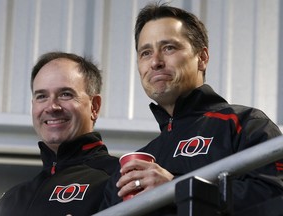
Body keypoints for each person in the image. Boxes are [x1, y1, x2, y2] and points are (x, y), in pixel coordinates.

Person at [100, 2, 283, 215]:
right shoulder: (133, 166)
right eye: (146, 53)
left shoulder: (246, 123)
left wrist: (175, 188)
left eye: (169, 48)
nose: (155, 62)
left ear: (202, 58)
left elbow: (273, 196)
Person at [0, 52, 118, 216]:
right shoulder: (11, 200)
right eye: (42, 96)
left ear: (94, 107)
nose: (52, 106)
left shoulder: (123, 177)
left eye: (65, 94)